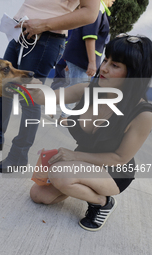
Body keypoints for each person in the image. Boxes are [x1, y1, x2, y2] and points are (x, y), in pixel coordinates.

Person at [28, 35, 152, 231]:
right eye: (106, 60)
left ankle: (102, 203)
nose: (103, 68)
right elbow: (50, 97)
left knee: (61, 174)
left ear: (134, 73)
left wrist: (73, 156)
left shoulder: (143, 114)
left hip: (114, 172)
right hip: (84, 161)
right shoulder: (88, 90)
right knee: (38, 195)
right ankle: (76, 182)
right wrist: (33, 87)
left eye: (115, 65)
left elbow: (119, 158)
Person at [0, 0, 101, 173]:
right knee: (3, 89)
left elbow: (90, 13)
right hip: (20, 32)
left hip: (45, 38)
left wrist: (43, 24)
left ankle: (19, 156)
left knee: (29, 98)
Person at [58, 0, 114, 122]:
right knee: (77, 88)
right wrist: (92, 63)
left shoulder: (99, 9)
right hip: (82, 58)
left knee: (73, 86)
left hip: (79, 58)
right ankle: (64, 117)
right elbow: (89, 36)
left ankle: (61, 112)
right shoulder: (97, 8)